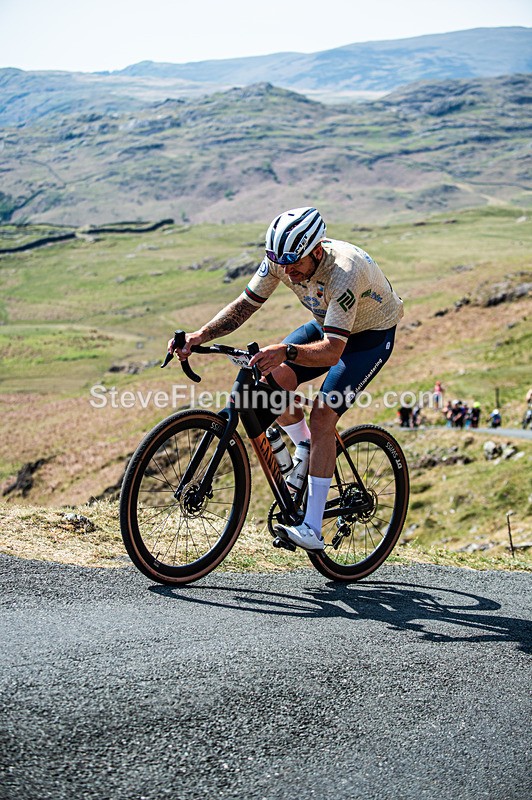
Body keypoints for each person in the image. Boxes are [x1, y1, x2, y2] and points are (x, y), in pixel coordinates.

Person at [169, 206, 404, 552]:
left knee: (322, 415)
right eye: (282, 264)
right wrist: (199, 335)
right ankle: (304, 446)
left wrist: (286, 351)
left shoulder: (345, 271)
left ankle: (312, 527)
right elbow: (244, 306)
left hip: (368, 338)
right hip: (329, 324)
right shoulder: (282, 260)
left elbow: (332, 352)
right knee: (268, 385)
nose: (289, 273)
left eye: (295, 264)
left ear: (317, 251)